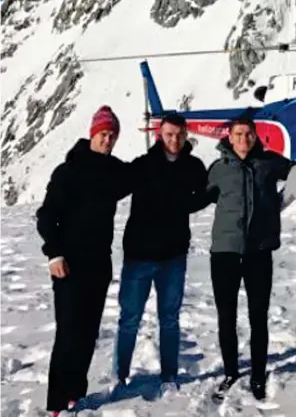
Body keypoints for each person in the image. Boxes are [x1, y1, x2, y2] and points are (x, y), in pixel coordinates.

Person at [36, 106, 126, 417]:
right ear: (92, 133)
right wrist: (54, 253)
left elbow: (142, 175)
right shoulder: (68, 171)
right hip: (69, 265)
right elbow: (47, 215)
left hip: (99, 264)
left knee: (89, 332)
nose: (108, 139)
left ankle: (76, 394)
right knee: (69, 333)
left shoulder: (114, 171)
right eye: (104, 134)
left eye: (113, 135)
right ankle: (57, 404)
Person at [112, 114, 208, 394]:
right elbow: (112, 187)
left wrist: (189, 202)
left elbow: (201, 196)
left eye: (179, 134)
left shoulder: (194, 166)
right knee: (129, 319)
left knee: (170, 318)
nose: (174, 140)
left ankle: (169, 374)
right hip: (138, 256)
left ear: (186, 135)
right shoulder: (143, 165)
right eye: (169, 135)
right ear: (159, 135)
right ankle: (119, 375)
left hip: (173, 256)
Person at [206, 118, 295, 402]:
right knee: (226, 316)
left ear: (255, 137)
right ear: (229, 138)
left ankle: (258, 373)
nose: (244, 139)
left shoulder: (269, 162)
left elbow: (295, 171)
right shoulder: (218, 170)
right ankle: (231, 371)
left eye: (249, 134)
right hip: (225, 252)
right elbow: (195, 196)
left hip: (259, 251)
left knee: (258, 316)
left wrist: (281, 201)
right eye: (238, 134)